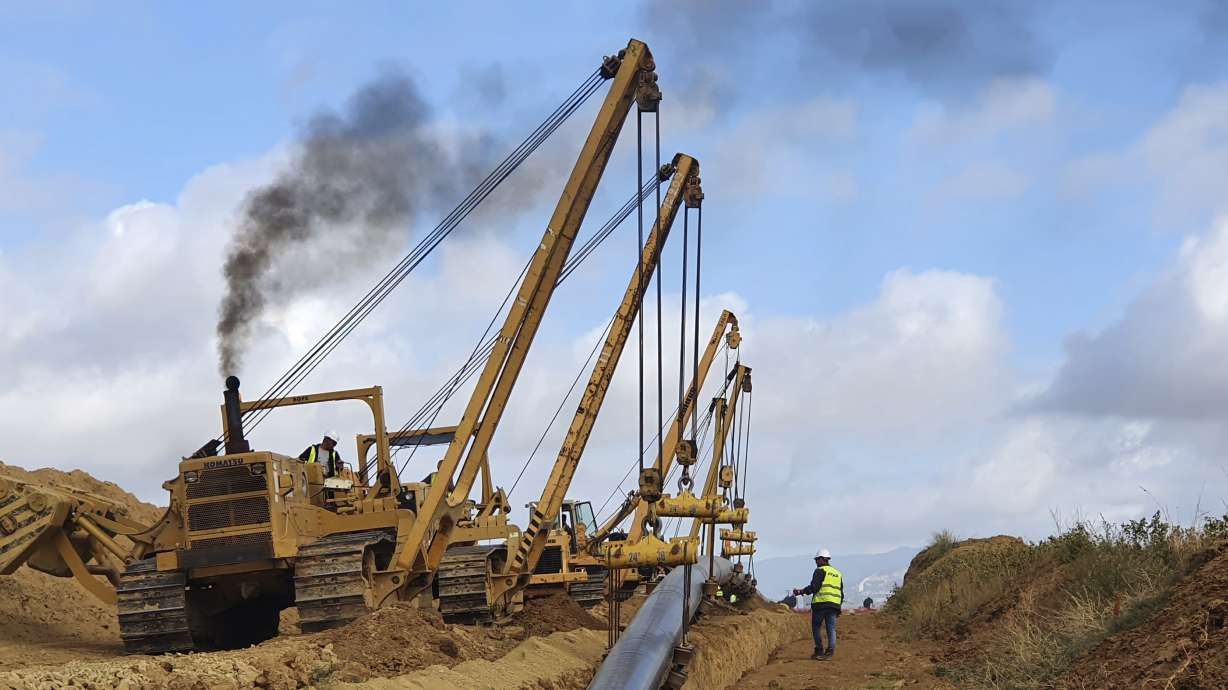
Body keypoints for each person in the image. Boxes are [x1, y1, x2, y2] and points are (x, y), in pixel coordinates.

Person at [793, 548, 843, 660]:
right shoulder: (837, 573)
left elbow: (814, 587)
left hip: (821, 605)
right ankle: (830, 653)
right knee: (831, 629)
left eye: (817, 560)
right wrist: (838, 607)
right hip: (833, 606)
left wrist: (801, 591)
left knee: (816, 627)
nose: (816, 562)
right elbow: (841, 592)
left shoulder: (820, 571)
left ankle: (819, 651)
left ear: (822, 559)